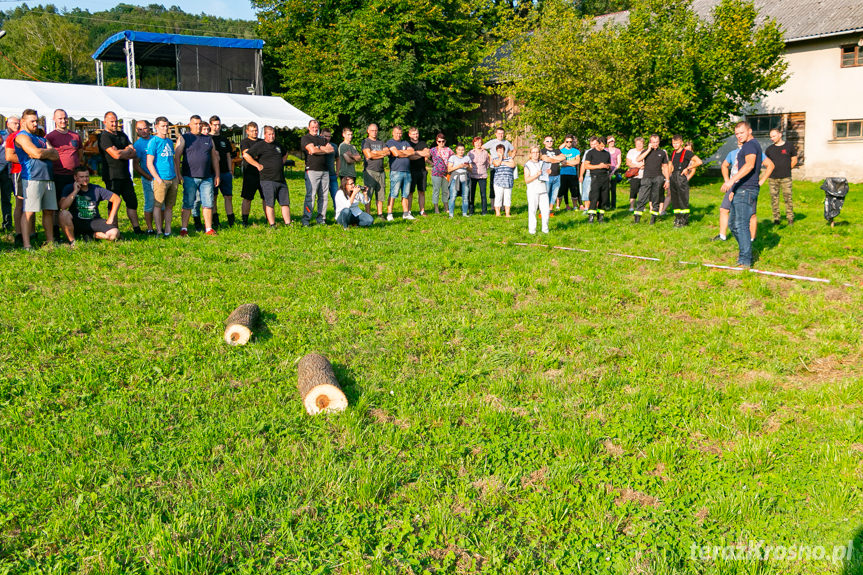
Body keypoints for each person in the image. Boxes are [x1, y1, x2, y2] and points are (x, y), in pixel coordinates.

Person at [16, 109, 59, 250]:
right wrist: (44, 152)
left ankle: (50, 241)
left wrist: (42, 153)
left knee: (49, 211)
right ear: (23, 122)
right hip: (32, 178)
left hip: (48, 177)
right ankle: (27, 244)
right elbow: (35, 153)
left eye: (37, 121)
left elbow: (56, 155)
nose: (35, 124)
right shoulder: (21, 137)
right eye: (32, 121)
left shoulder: (41, 138)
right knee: (29, 211)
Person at [721, 121, 762, 268]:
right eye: (737, 134)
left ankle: (745, 260)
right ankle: (746, 250)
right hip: (740, 189)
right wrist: (734, 189)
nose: (739, 136)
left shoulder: (751, 145)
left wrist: (731, 181)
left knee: (741, 224)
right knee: (733, 225)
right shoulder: (746, 145)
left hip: (747, 190)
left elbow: (750, 165)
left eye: (742, 132)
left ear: (749, 131)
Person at [175, 115, 219, 236]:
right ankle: (184, 228)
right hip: (190, 177)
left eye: (200, 124)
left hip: (207, 177)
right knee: (188, 203)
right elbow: (177, 156)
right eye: (195, 123)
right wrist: (178, 174)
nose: (198, 126)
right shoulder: (184, 138)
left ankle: (208, 228)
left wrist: (217, 175)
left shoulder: (208, 139)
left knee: (208, 203)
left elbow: (214, 158)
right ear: (190, 125)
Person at [99, 111, 142, 233]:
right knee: (113, 203)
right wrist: (126, 150)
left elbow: (134, 153)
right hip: (112, 175)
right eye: (111, 121)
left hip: (125, 175)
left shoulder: (122, 135)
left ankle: (137, 228)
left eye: (116, 121)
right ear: (105, 122)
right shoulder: (104, 137)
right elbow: (115, 155)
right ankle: (114, 228)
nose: (114, 124)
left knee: (132, 201)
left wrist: (123, 151)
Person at [58, 165, 121, 243]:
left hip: (94, 220)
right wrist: (75, 191)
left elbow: (117, 199)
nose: (85, 179)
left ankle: (91, 235)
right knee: (63, 214)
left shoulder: (96, 189)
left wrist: (111, 218)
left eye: (87, 176)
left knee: (115, 233)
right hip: (76, 221)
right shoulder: (69, 188)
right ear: (75, 177)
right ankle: (72, 241)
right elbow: (63, 206)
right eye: (81, 177)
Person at [47, 109, 83, 238]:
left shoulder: (75, 136)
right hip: (58, 175)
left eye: (65, 118)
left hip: (74, 176)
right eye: (60, 118)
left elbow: (80, 152)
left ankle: (76, 229)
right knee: (57, 205)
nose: (63, 121)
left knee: (75, 202)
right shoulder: (50, 136)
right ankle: (56, 232)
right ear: (54, 119)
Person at [247, 126, 291, 227]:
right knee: (270, 203)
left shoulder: (278, 145)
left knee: (285, 202)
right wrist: (257, 165)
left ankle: (288, 223)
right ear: (265, 135)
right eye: (269, 134)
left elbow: (285, 153)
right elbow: (246, 155)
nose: (272, 136)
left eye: (273, 134)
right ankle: (272, 224)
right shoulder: (260, 145)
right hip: (267, 179)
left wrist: (281, 162)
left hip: (280, 179)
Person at [300, 119, 332, 226]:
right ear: (309, 128)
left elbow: (331, 149)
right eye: (312, 127)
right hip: (312, 170)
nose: (315, 129)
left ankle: (321, 219)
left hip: (324, 171)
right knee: (311, 196)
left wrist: (317, 148)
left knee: (323, 196)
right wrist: (321, 149)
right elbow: (311, 150)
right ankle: (306, 220)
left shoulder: (322, 139)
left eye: (316, 127)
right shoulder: (306, 138)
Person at [763, 127, 797, 225]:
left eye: (773, 136)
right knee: (774, 198)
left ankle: (790, 218)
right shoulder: (769, 149)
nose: (772, 138)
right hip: (773, 178)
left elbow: (794, 160)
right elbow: (767, 163)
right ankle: (776, 218)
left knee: (788, 198)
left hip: (786, 177)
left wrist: (786, 169)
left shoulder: (789, 146)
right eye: (771, 137)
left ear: (780, 135)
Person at [633, 134, 669, 224]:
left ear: (659, 142)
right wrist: (649, 149)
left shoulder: (662, 153)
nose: (655, 144)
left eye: (657, 142)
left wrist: (667, 180)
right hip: (646, 178)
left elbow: (665, 167)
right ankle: (637, 219)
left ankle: (653, 219)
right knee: (642, 198)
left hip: (658, 178)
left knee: (656, 199)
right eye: (653, 142)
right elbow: (638, 159)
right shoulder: (645, 151)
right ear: (650, 142)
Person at [668, 135, 702, 228]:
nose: (675, 145)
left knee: (683, 199)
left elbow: (699, 162)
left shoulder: (687, 152)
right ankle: (678, 218)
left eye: (677, 143)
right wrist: (668, 178)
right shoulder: (673, 153)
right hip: (673, 177)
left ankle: (684, 220)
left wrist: (688, 168)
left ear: (681, 143)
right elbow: (670, 166)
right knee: (675, 199)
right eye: (673, 143)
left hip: (681, 176)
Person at [210, 115, 236, 227]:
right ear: (210, 125)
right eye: (215, 125)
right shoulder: (208, 139)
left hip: (225, 172)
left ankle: (231, 221)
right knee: (214, 197)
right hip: (212, 173)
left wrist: (231, 170)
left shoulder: (224, 139)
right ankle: (215, 221)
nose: (217, 127)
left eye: (218, 124)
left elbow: (228, 155)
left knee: (228, 196)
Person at [131, 120, 155, 234]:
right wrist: (148, 177)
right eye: (140, 129)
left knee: (162, 204)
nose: (143, 131)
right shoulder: (138, 145)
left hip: (161, 177)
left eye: (145, 128)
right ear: (136, 131)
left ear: (149, 128)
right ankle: (150, 228)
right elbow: (136, 165)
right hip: (148, 178)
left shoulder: (156, 140)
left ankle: (161, 226)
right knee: (149, 204)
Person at [361, 124, 389, 216]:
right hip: (370, 171)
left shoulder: (381, 142)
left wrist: (376, 152)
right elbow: (368, 155)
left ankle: (380, 214)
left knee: (380, 194)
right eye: (372, 130)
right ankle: (368, 214)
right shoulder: (366, 142)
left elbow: (388, 152)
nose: (374, 132)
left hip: (381, 171)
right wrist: (381, 154)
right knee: (369, 193)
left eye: (376, 130)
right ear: (368, 131)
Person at [583, 136, 612, 223]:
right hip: (595, 177)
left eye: (604, 146)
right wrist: (598, 166)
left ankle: (601, 217)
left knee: (604, 198)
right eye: (601, 146)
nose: (603, 147)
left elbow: (609, 165)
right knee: (594, 197)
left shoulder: (607, 154)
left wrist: (607, 166)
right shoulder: (590, 153)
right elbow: (586, 165)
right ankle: (591, 216)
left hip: (605, 177)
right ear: (597, 144)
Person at [240, 122, 263, 226]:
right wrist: (257, 159)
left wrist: (254, 154)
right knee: (247, 198)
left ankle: (269, 218)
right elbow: (246, 154)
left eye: (256, 130)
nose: (255, 132)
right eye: (252, 130)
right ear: (247, 131)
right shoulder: (245, 142)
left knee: (266, 198)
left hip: (263, 174)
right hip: (250, 173)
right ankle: (245, 220)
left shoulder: (262, 142)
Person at [0, 116, 20, 236]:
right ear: (7, 124)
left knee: (6, 199)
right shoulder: (2, 134)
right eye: (14, 123)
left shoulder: (20, 137)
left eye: (18, 123)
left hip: (9, 171)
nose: (16, 126)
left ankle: (7, 224)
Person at [483, 127, 514, 200]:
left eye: (502, 133)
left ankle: (503, 205)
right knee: (493, 185)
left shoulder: (506, 142)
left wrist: (511, 158)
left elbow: (514, 150)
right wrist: (490, 156)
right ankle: (493, 205)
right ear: (496, 134)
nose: (500, 135)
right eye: (499, 133)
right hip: (494, 167)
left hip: (505, 167)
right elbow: (482, 148)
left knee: (505, 186)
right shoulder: (492, 142)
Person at [524, 146, 549, 234]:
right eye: (533, 152)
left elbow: (546, 175)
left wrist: (548, 173)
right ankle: (532, 230)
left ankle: (545, 229)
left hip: (543, 189)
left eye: (537, 152)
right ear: (530, 154)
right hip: (532, 190)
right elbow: (527, 180)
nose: (535, 154)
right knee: (533, 210)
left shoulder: (543, 163)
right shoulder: (528, 164)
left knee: (546, 210)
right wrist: (536, 175)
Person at [407, 127, 430, 216]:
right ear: (409, 135)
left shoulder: (423, 143)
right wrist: (421, 154)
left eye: (416, 133)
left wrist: (415, 153)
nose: (415, 135)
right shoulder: (407, 144)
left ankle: (422, 211)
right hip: (411, 171)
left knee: (422, 191)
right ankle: (408, 211)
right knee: (410, 192)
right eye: (413, 134)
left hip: (422, 171)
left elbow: (427, 154)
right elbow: (410, 157)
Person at [540, 136, 565, 214]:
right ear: (544, 142)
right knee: (546, 193)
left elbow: (563, 157)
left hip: (557, 175)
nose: (549, 142)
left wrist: (552, 158)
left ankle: (550, 210)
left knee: (554, 194)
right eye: (547, 141)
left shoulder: (557, 150)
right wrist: (557, 160)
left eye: (551, 141)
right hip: (547, 176)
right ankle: (543, 210)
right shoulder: (542, 150)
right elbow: (545, 159)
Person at [429, 133, 453, 214]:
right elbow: (425, 157)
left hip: (446, 173)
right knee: (436, 190)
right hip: (436, 173)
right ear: (436, 142)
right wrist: (432, 164)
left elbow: (454, 158)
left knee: (445, 191)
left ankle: (446, 207)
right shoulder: (433, 150)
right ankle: (436, 208)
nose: (441, 143)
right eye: (439, 141)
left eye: (443, 141)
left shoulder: (449, 150)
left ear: (445, 141)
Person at [447, 143, 472, 218]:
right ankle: (451, 214)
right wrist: (459, 166)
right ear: (456, 150)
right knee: (453, 196)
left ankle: (464, 213)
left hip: (465, 179)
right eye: (459, 150)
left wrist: (467, 167)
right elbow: (449, 169)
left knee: (465, 196)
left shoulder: (467, 158)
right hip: (455, 178)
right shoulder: (452, 158)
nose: (461, 152)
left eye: (462, 150)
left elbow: (471, 170)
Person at [468, 136, 491, 215]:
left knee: (483, 194)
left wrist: (483, 169)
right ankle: (471, 211)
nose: (478, 144)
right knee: (471, 194)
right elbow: (468, 163)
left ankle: (484, 211)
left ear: (482, 143)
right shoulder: (470, 153)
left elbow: (487, 163)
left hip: (482, 176)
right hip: (472, 176)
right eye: (476, 142)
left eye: (479, 142)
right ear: (473, 143)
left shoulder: (485, 152)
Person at [492, 143, 515, 217]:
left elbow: (512, 165)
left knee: (507, 198)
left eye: (502, 150)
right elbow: (497, 164)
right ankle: (498, 213)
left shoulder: (509, 158)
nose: (500, 151)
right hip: (498, 182)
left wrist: (503, 162)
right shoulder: (494, 159)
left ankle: (507, 213)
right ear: (496, 151)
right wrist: (501, 158)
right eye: (498, 150)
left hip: (508, 181)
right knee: (498, 197)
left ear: (504, 150)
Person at [558, 135, 580, 211]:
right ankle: (558, 207)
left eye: (570, 141)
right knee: (561, 190)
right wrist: (571, 162)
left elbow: (577, 162)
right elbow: (560, 162)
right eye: (567, 141)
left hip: (573, 173)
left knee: (574, 190)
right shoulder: (561, 151)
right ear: (565, 142)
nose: (569, 143)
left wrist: (566, 162)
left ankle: (575, 206)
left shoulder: (576, 151)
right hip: (563, 173)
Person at [625, 137, 645, 212]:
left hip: (644, 174)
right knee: (633, 190)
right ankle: (632, 206)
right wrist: (638, 166)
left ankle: (641, 206)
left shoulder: (646, 151)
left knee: (643, 191)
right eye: (637, 143)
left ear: (643, 144)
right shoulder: (631, 151)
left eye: (640, 143)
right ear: (635, 144)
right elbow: (628, 163)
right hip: (634, 175)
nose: (639, 145)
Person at [579, 137, 597, 211]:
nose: (593, 146)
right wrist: (581, 175)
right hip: (588, 174)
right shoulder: (587, 152)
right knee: (586, 191)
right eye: (591, 144)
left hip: (597, 175)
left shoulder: (602, 152)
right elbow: (583, 164)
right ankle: (586, 208)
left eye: (595, 144)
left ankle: (594, 208)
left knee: (595, 192)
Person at [322, 127, 339, 203]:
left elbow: (338, 159)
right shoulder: (319, 146)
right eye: (325, 136)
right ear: (321, 135)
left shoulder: (334, 146)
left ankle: (338, 213)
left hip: (332, 174)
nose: (327, 138)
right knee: (322, 196)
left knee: (336, 196)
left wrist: (337, 171)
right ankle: (322, 214)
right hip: (322, 174)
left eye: (329, 136)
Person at [605, 136, 621, 210]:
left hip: (614, 171)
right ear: (607, 142)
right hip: (606, 171)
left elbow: (619, 162)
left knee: (613, 189)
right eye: (611, 141)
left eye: (613, 141)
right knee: (607, 188)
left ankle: (613, 205)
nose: (612, 143)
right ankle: (607, 204)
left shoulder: (617, 150)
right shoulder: (605, 150)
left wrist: (614, 170)